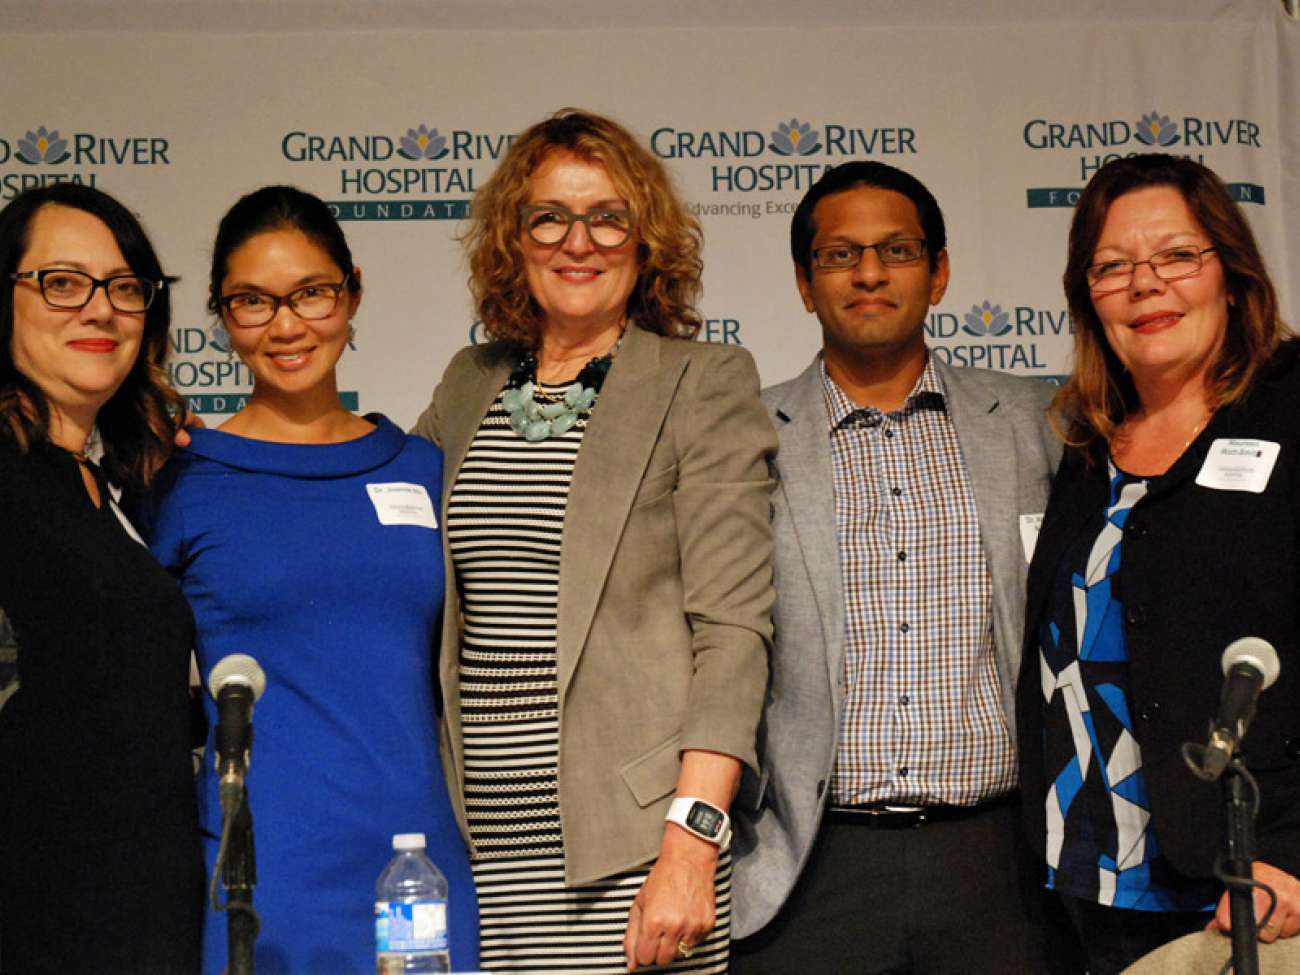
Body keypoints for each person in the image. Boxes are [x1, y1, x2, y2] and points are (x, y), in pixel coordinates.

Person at [412, 108, 775, 974]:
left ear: (644, 240)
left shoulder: (704, 382)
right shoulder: (470, 385)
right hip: (479, 852)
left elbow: (733, 634)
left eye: (608, 216)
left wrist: (691, 847)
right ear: (515, 238)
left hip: (636, 859)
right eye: (550, 217)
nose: (580, 241)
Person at [731, 161, 1079, 974]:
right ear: (804, 283)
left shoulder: (1039, 421)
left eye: (897, 249)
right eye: (840, 254)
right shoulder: (745, 435)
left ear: (941, 270)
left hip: (1005, 865)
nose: (870, 272)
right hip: (810, 868)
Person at [145, 186, 478, 974]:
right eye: (253, 301)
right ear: (222, 316)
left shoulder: (426, 469)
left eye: (311, 293)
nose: (286, 325)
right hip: (261, 878)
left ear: (353, 290)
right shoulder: (184, 482)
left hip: (420, 869)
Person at [1015, 153, 1300, 974]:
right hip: (1087, 887)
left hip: (1247, 891)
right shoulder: (1086, 444)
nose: (1146, 284)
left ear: (1232, 274)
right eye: (1112, 267)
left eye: (1177, 255)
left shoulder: (1290, 407)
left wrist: (1291, 850)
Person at [0, 183, 202, 973]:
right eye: (60, 281)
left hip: (138, 921)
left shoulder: (107, 487)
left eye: (125, 287)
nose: (99, 309)